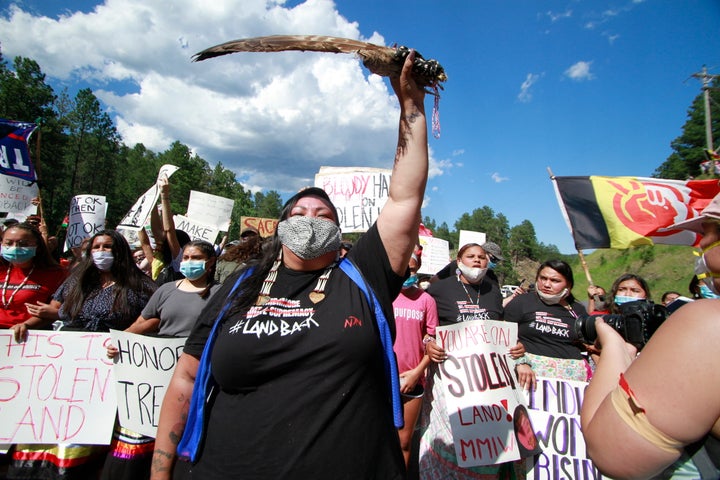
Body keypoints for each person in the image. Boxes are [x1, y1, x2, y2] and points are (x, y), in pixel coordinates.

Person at [152, 51, 428, 480]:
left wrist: (410, 107)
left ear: (340, 233)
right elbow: (186, 380)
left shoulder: (362, 276)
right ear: (280, 228)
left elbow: (404, 198)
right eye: (299, 214)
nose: (310, 219)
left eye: (323, 216)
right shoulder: (240, 286)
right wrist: (159, 473)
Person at [581, 200, 720, 479]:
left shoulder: (709, 323)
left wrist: (615, 349)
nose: (702, 242)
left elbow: (613, 452)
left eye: (712, 230)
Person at [9, 230, 157, 480]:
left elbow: (154, 316)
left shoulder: (139, 285)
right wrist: (27, 324)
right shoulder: (77, 279)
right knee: (54, 420)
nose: (101, 252)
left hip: (105, 365)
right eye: (97, 247)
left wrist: (125, 337)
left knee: (86, 429)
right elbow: (53, 310)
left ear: (120, 251)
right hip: (67, 360)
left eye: (108, 247)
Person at [103, 240, 221, 480]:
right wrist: (120, 342)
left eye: (196, 258)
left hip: (196, 373)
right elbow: (142, 323)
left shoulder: (221, 293)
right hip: (156, 372)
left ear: (210, 263)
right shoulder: (165, 290)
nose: (189, 262)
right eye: (186, 257)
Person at [418, 242, 527, 479]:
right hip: (452, 378)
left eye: (481, 257)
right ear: (458, 262)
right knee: (452, 436)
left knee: (484, 439)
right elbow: (424, 327)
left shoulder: (493, 290)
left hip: (487, 381)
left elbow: (500, 330)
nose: (477, 260)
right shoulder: (439, 290)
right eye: (470, 256)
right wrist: (428, 345)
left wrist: (516, 349)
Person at [504, 259, 590, 383]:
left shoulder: (578, 309)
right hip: (528, 376)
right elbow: (503, 336)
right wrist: (520, 362)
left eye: (555, 280)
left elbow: (589, 344)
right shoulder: (521, 302)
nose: (546, 284)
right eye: (543, 278)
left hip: (572, 379)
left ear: (568, 285)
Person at [392, 247, 438, 467]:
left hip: (412, 379)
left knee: (403, 441)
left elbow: (432, 341)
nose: (407, 275)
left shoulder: (426, 300)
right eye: (402, 269)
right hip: (383, 376)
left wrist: (417, 373)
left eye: (411, 270)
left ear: (418, 270)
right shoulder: (383, 294)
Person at [0, 222, 66, 338]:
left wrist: (26, 325)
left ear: (37, 246)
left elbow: (52, 311)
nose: (15, 247)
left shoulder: (57, 274)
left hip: (30, 337)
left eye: (23, 244)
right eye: (8, 243)